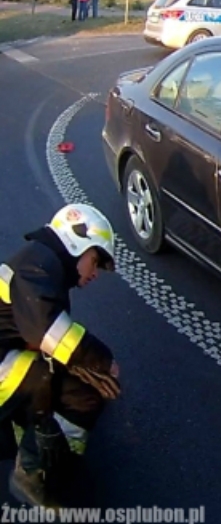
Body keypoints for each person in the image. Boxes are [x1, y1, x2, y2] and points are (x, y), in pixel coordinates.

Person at [0, 204, 122, 508]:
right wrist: (101, 361)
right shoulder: (37, 266)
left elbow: (40, 334)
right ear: (77, 242)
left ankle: (43, 446)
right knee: (59, 382)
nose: (95, 273)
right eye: (96, 261)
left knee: (66, 379)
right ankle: (34, 471)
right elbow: (48, 332)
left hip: (6, 354)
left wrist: (77, 361)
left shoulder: (42, 262)